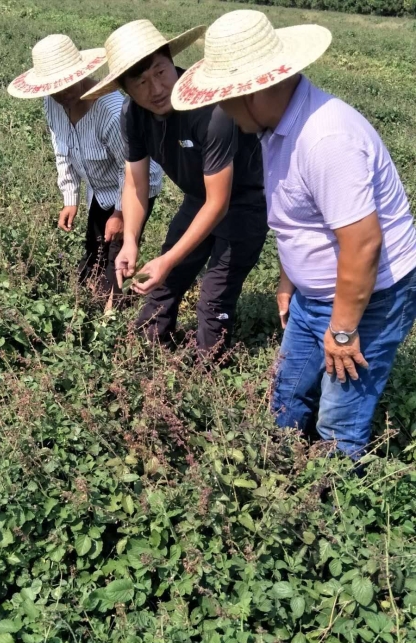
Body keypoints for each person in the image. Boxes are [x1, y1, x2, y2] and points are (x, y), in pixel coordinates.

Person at [172, 10, 416, 459]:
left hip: (372, 294)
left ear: (255, 91)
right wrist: (291, 280)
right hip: (315, 292)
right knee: (285, 395)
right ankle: (281, 475)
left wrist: (342, 332)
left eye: (225, 100)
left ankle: (335, 508)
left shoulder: (326, 138)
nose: (221, 110)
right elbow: (299, 216)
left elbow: (362, 244)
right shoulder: (273, 127)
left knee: (338, 420)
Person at [82, 20, 268, 352]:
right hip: (198, 198)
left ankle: (208, 371)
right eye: (140, 82)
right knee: (163, 284)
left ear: (172, 62)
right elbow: (136, 184)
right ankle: (147, 356)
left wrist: (167, 259)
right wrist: (130, 242)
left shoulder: (211, 111)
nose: (155, 89)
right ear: (126, 90)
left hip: (243, 204)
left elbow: (219, 203)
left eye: (159, 72)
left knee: (214, 297)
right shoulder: (132, 115)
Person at [8, 34, 162, 302]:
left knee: (117, 254)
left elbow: (134, 173)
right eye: (52, 89)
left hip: (135, 188)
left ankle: (112, 312)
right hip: (99, 188)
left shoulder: (112, 113)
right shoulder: (54, 103)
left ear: (81, 73)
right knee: (94, 248)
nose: (60, 95)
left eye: (66, 86)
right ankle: (92, 293)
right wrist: (70, 197)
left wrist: (120, 212)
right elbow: (62, 148)